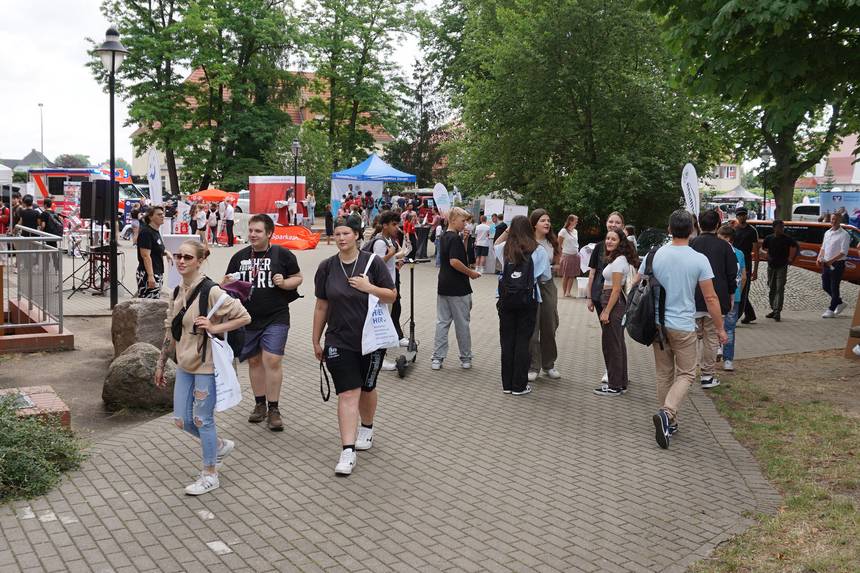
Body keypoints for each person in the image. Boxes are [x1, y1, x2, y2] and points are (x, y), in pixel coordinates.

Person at [155, 240, 251, 495]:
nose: (181, 261)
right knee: (181, 420)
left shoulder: (212, 291)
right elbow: (169, 329)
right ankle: (218, 446)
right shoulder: (176, 292)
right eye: (178, 256)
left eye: (187, 257)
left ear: (200, 260)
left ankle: (210, 474)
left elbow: (244, 316)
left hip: (206, 364)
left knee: (202, 419)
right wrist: (161, 363)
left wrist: (215, 327)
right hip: (185, 363)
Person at [312, 216, 396, 475]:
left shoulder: (372, 263)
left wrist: (368, 287)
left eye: (346, 233)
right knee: (348, 393)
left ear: (357, 235)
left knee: (367, 387)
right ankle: (347, 451)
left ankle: (367, 427)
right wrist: (316, 339)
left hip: (371, 339)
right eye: (337, 234)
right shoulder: (326, 267)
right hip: (339, 339)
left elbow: (391, 295)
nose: (340, 238)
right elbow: (322, 305)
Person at [646, 210, 728, 449]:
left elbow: (639, 281)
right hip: (683, 325)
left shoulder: (656, 254)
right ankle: (668, 413)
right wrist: (721, 329)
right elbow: (711, 298)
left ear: (669, 229)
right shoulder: (699, 259)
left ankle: (669, 422)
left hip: (658, 324)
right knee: (687, 374)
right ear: (693, 230)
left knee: (664, 374)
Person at [225, 214, 303, 431]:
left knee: (272, 359)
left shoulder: (282, 254)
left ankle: (274, 408)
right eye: (250, 230)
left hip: (276, 316)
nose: (252, 234)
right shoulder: (239, 257)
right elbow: (227, 285)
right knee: (254, 361)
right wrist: (225, 285)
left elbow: (298, 277)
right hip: (247, 318)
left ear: (269, 233)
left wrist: (285, 283)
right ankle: (260, 405)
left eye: (258, 231)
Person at [494, 216, 550, 395]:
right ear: (530, 229)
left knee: (507, 340)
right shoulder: (538, 250)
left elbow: (496, 244)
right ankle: (519, 385)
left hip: (506, 299)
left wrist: (507, 231)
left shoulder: (505, 248)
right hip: (528, 299)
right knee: (522, 342)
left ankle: (507, 385)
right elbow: (546, 277)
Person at [690, 209, 737, 390]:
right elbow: (732, 274)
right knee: (711, 338)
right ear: (718, 225)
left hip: (693, 298)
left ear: (699, 224)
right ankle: (707, 375)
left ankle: (687, 372)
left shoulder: (691, 244)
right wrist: (731, 295)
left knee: (692, 338)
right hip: (716, 299)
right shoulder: (725, 247)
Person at [432, 207, 481, 370]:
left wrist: (465, 241)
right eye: (463, 221)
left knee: (442, 323)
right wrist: (471, 273)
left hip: (444, 285)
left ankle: (437, 358)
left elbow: (456, 258)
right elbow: (455, 261)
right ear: (453, 220)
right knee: (462, 324)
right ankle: (465, 357)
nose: (465, 224)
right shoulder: (454, 239)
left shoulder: (444, 236)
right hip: (458, 287)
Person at [593, 229, 638, 396]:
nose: (609, 241)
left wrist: (606, 311)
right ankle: (620, 383)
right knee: (617, 344)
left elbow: (617, 289)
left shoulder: (619, 261)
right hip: (613, 301)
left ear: (621, 242)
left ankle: (614, 386)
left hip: (613, 302)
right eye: (607, 238)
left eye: (613, 239)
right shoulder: (618, 259)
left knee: (612, 345)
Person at [586, 211, 625, 383]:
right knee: (608, 335)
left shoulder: (625, 249)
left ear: (622, 225)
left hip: (615, 296)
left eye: (617, 222)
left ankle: (615, 373)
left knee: (614, 336)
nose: (613, 224)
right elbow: (592, 273)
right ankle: (614, 371)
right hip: (598, 295)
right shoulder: (600, 246)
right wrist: (589, 296)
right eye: (610, 221)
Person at [370, 211, 409, 371]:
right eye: (394, 224)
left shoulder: (387, 239)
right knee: (380, 323)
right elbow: (376, 263)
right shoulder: (380, 241)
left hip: (389, 285)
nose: (396, 228)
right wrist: (391, 254)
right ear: (385, 225)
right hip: (383, 288)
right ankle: (379, 358)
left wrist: (396, 261)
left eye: (397, 224)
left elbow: (386, 264)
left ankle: (381, 356)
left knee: (385, 321)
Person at [527, 209, 561, 381]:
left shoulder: (551, 242)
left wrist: (554, 268)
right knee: (532, 328)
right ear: (534, 224)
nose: (547, 223)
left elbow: (557, 263)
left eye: (548, 220)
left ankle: (549, 364)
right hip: (530, 287)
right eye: (543, 220)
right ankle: (533, 366)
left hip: (547, 286)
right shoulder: (526, 241)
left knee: (549, 325)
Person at [717, 224, 745, 372]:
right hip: (734, 294)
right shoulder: (739, 253)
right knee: (729, 328)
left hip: (722, 295)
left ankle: (721, 351)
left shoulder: (719, 253)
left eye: (722, 238)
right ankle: (727, 359)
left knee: (720, 325)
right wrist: (738, 290)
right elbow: (743, 276)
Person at [759, 220, 798, 322]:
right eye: (779, 227)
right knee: (772, 287)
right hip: (771, 266)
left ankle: (777, 311)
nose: (781, 229)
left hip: (782, 266)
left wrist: (790, 258)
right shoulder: (769, 238)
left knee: (780, 287)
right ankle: (773, 308)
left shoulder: (787, 239)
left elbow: (794, 246)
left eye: (782, 227)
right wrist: (765, 254)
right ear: (774, 228)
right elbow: (761, 249)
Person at [818, 213, 850, 318]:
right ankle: (840, 302)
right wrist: (819, 258)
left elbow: (843, 252)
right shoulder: (828, 232)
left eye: (836, 219)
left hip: (837, 264)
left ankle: (831, 309)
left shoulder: (844, 234)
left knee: (834, 286)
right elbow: (823, 247)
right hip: (826, 263)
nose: (834, 221)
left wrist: (831, 261)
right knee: (825, 286)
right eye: (832, 219)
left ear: (840, 220)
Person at [136, 205, 170, 299]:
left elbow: (156, 248)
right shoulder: (146, 232)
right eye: (159, 214)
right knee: (148, 304)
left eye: (163, 214)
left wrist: (166, 253)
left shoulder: (155, 231)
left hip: (157, 272)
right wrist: (150, 276)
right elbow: (145, 256)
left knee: (154, 301)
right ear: (150, 217)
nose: (162, 216)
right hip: (148, 273)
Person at [732, 207, 759, 324]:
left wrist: (755, 270)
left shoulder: (752, 231)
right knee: (738, 290)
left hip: (746, 263)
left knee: (744, 291)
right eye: (739, 215)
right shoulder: (734, 230)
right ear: (736, 216)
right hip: (734, 262)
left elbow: (756, 250)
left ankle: (735, 317)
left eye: (744, 214)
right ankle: (750, 314)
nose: (742, 217)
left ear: (746, 216)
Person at [558, 214, 580, 297]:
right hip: (566, 255)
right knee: (566, 275)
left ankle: (568, 292)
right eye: (576, 220)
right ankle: (564, 292)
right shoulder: (563, 231)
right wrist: (560, 257)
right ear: (570, 221)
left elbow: (575, 243)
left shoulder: (575, 231)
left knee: (572, 275)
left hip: (575, 255)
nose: (577, 222)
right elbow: (559, 245)